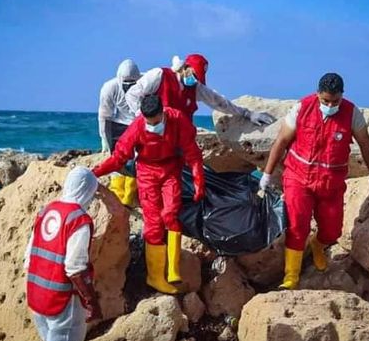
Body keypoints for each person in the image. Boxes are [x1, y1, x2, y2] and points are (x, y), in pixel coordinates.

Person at [259, 72, 369, 290]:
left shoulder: (352, 113)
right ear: (318, 95)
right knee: (297, 226)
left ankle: (318, 245)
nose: (330, 105)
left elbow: (365, 144)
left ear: (342, 96)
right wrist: (266, 175)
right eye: (326, 101)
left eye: (335, 101)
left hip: (331, 183)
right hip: (298, 177)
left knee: (333, 230)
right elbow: (282, 140)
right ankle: (291, 277)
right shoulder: (302, 107)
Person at [92, 95, 205, 294]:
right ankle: (155, 277)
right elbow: (119, 157)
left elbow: (192, 152)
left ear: (163, 113)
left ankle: (173, 269)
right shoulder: (137, 127)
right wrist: (95, 172)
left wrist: (198, 180)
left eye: (156, 122)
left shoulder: (178, 119)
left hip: (170, 169)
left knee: (170, 214)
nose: (152, 125)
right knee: (153, 223)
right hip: (146, 172)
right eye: (148, 122)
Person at [24, 166, 104, 341]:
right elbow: (74, 267)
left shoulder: (46, 211)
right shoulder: (79, 220)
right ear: (87, 190)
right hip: (62, 301)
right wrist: (91, 303)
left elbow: (29, 257)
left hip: (37, 295)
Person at [125, 53, 275, 126]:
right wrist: (143, 117)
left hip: (178, 141)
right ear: (185, 67)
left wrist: (247, 113)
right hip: (153, 132)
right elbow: (132, 95)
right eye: (194, 75)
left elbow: (219, 102)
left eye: (198, 78)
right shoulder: (159, 75)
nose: (194, 80)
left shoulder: (195, 88)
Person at [98, 59, 142, 207]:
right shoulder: (109, 88)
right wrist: (104, 139)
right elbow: (104, 116)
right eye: (126, 82)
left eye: (133, 82)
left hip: (139, 121)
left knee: (137, 159)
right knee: (117, 159)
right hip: (120, 123)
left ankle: (130, 196)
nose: (129, 86)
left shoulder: (146, 83)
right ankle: (118, 194)